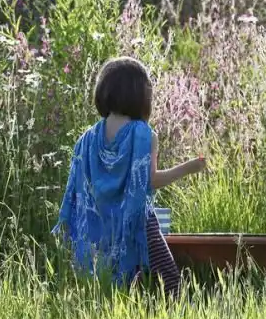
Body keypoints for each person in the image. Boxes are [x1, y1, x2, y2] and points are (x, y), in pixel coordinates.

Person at [52, 56, 206, 296]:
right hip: (137, 222)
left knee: (110, 281)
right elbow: (151, 181)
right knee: (168, 276)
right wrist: (189, 168)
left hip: (100, 225)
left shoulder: (87, 139)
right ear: (140, 96)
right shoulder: (143, 134)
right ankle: (179, 310)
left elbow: (81, 188)